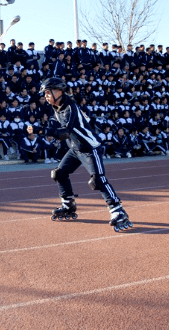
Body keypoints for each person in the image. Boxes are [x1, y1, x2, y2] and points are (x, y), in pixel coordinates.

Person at [40, 77, 132, 232]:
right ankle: (68, 204)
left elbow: (64, 133)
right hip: (76, 148)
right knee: (59, 173)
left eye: (49, 92)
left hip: (90, 148)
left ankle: (118, 211)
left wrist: (42, 131)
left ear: (59, 92)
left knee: (98, 180)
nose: (46, 96)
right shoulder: (57, 108)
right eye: (45, 93)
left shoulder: (70, 107)